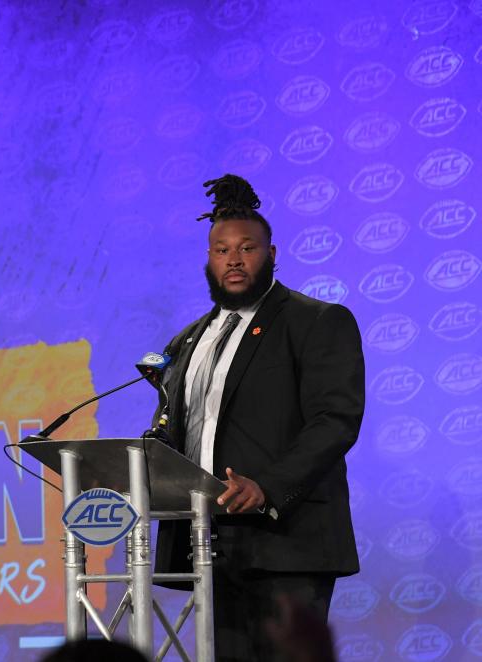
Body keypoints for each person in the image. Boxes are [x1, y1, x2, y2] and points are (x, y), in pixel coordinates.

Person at [151, 174, 364, 661]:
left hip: (287, 542)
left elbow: (335, 419)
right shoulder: (188, 340)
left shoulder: (316, 321)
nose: (233, 258)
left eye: (247, 247)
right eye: (222, 249)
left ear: (272, 253)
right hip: (211, 545)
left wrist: (266, 485)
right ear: (209, 259)